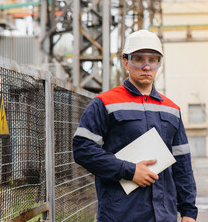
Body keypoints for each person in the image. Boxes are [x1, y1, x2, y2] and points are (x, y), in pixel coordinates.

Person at [73, 29, 198, 222]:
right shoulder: (104, 103)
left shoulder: (171, 109)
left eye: (153, 59)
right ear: (126, 62)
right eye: (139, 59)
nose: (146, 66)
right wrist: (129, 170)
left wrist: (189, 212)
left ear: (159, 64)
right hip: (120, 214)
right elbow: (82, 149)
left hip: (164, 215)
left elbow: (182, 164)